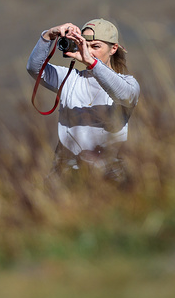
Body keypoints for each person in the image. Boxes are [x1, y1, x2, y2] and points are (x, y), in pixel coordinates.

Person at [26, 18, 140, 180]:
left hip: (109, 172)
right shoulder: (69, 78)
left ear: (113, 49)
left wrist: (92, 63)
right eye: (85, 46)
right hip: (68, 170)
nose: (89, 52)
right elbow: (34, 68)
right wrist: (49, 35)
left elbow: (123, 94)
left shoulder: (128, 83)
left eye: (95, 47)